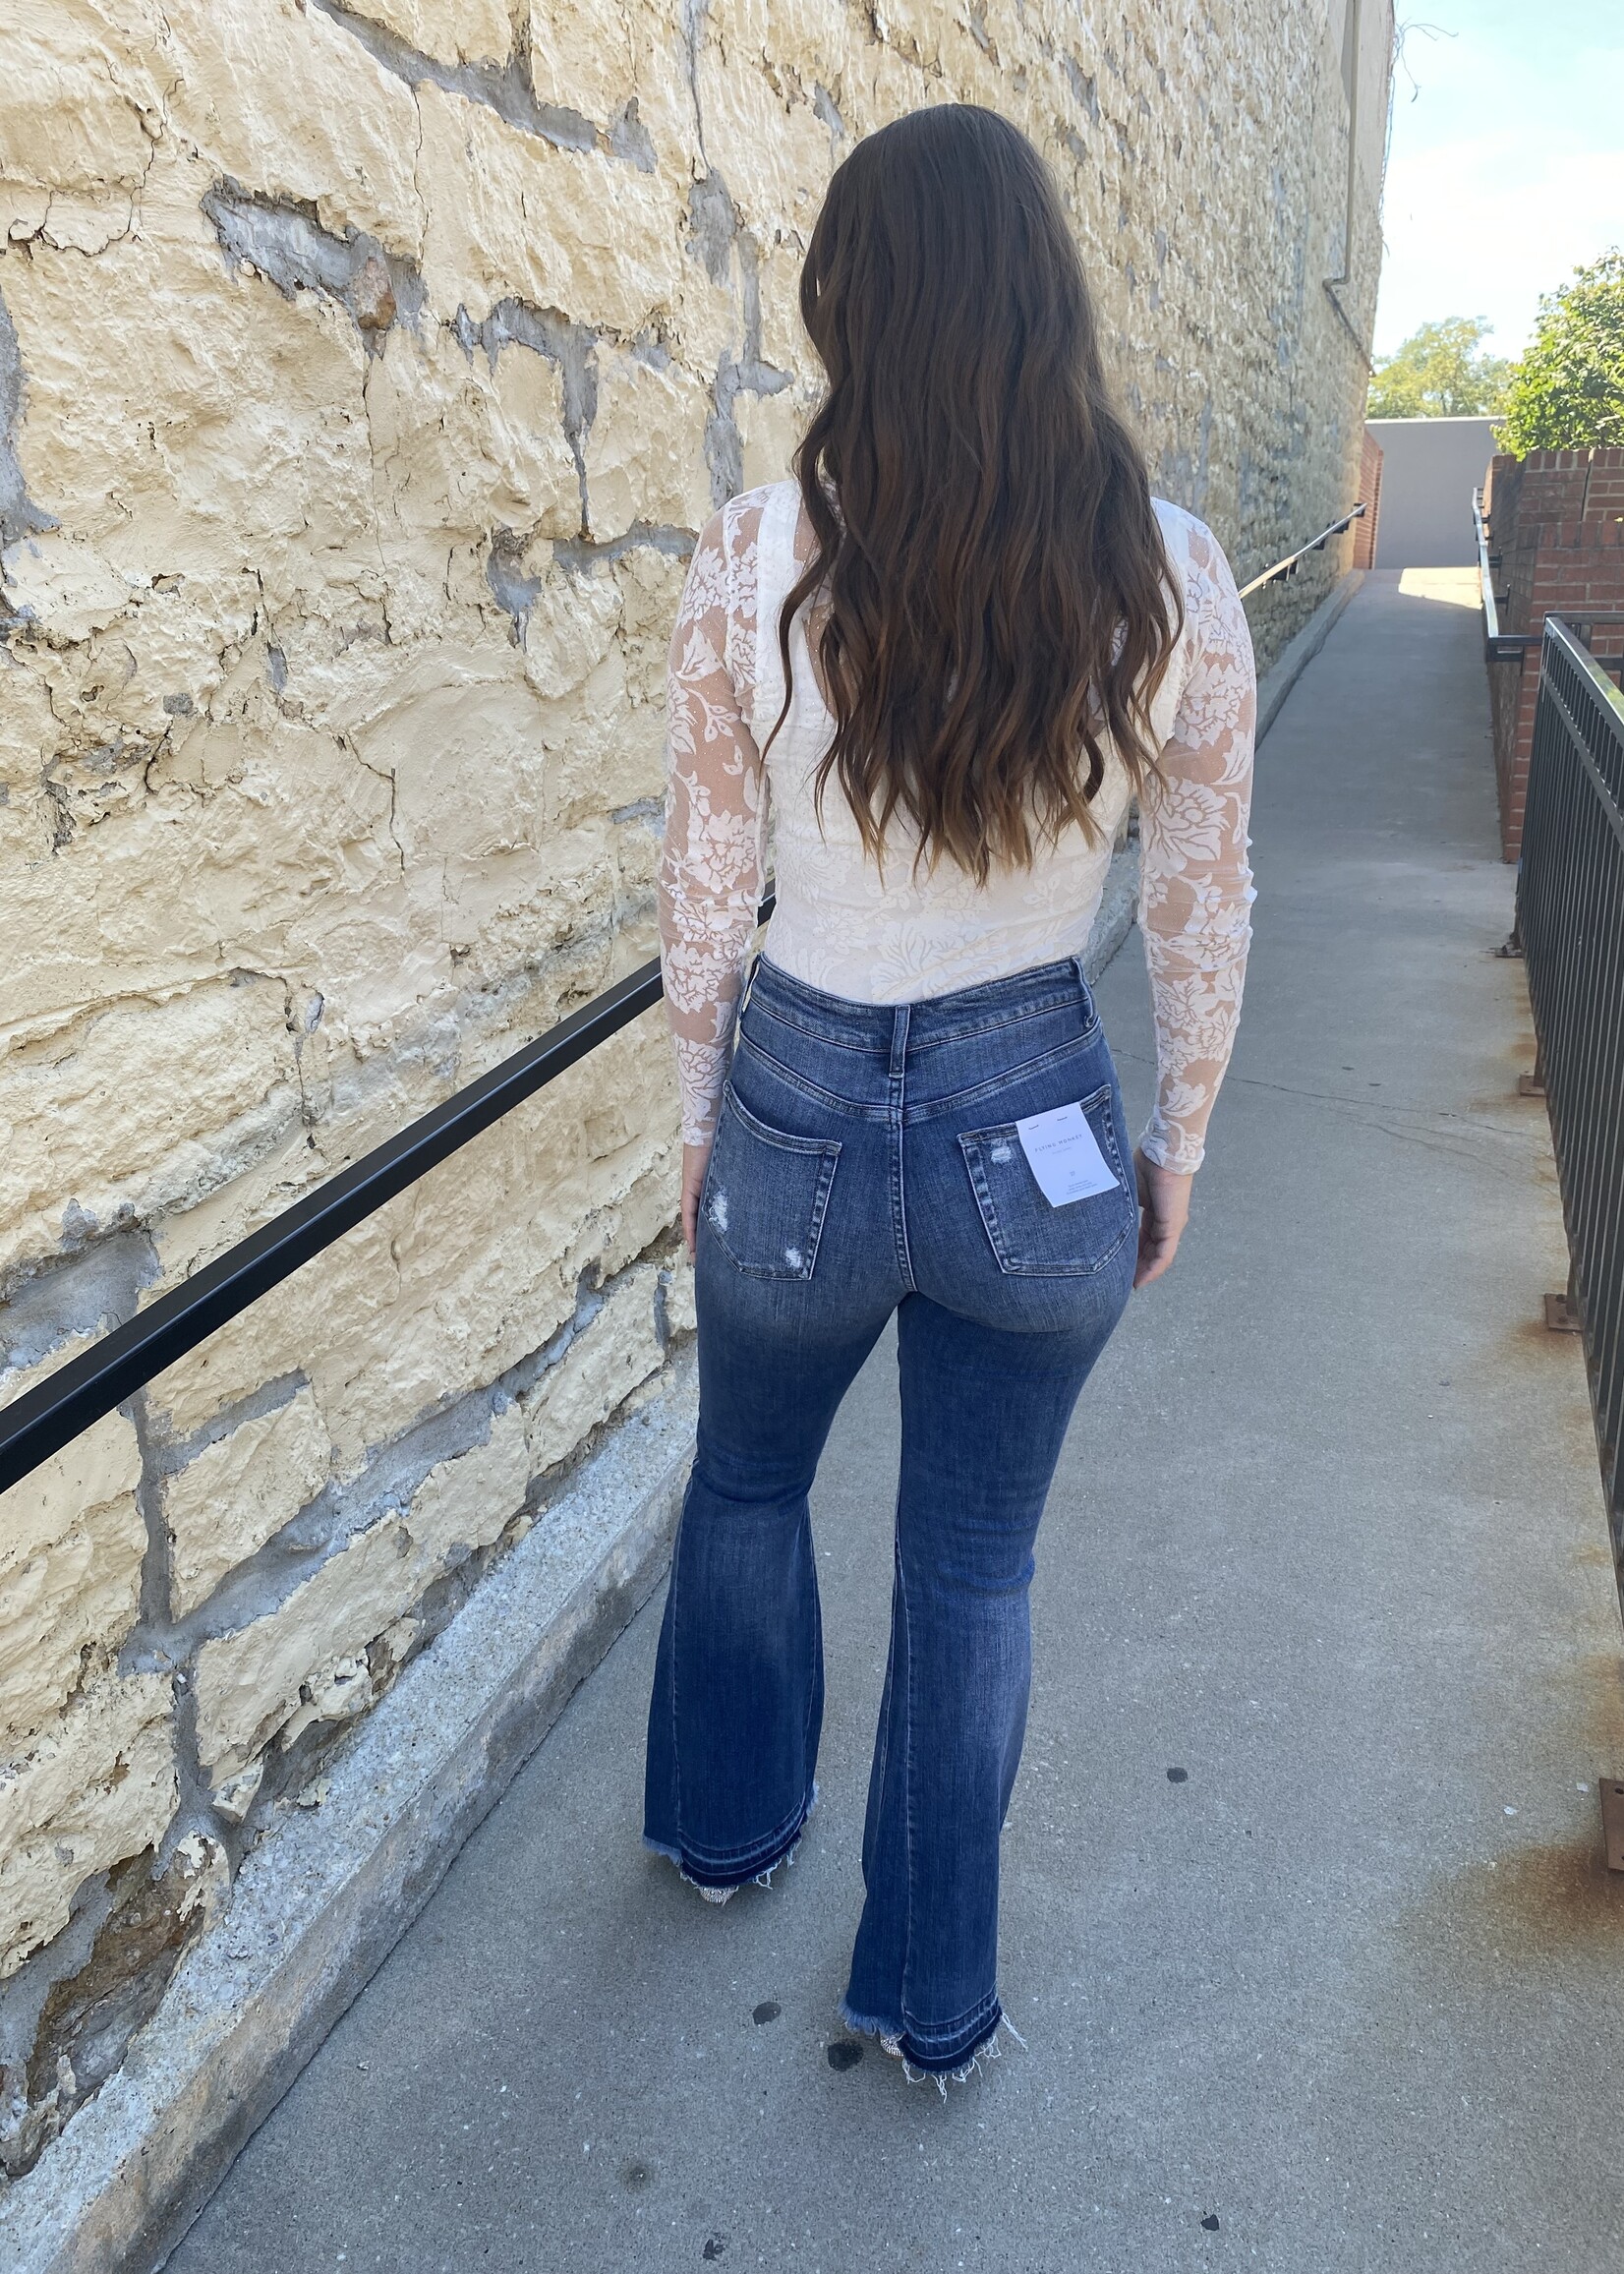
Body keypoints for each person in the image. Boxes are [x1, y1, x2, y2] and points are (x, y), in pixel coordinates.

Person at [643, 102, 1255, 2088]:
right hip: (1036, 1106)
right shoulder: (1164, 573)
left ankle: (730, 1831)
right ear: (1046, 301)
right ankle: (929, 1997)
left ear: (851, 301)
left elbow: (701, 898)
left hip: (801, 1094)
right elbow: (1198, 895)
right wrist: (1179, 1133)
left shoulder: (750, 558)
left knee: (746, 1477)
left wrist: (697, 1131)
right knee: (972, 1562)